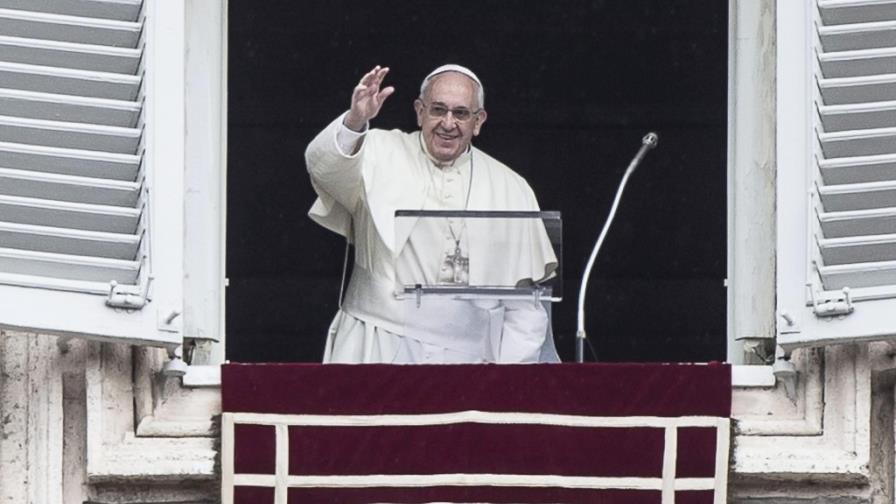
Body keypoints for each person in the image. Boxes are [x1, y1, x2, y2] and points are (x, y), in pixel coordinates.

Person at [305, 64, 558, 364]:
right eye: (438, 109)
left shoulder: (512, 188)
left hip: (468, 360)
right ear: (419, 112)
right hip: (376, 342)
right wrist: (356, 121)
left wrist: (504, 376)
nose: (448, 123)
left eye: (461, 113)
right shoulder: (378, 150)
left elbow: (524, 306)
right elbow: (325, 170)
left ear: (478, 121)